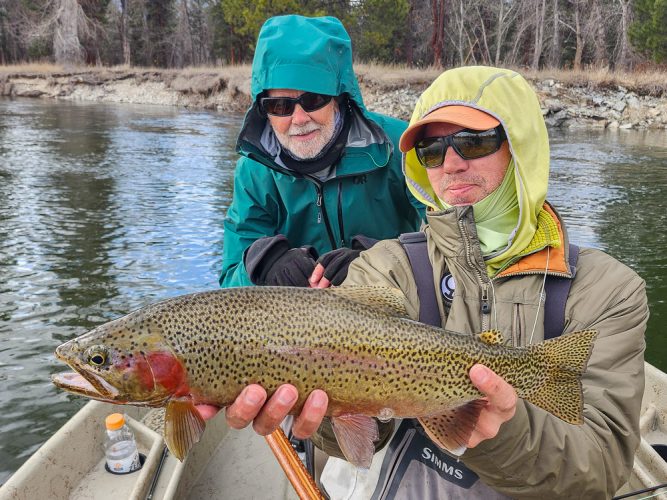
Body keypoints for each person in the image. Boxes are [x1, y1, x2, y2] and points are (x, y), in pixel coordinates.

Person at [216, 66, 648, 499]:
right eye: (431, 149)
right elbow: (359, 441)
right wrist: (322, 411)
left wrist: (499, 429)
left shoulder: (608, 290)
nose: (452, 164)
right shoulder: (389, 265)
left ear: (521, 147)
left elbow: (601, 471)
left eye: (473, 142)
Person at [218, 14, 424, 290]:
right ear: (263, 110)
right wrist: (260, 265)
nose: (299, 118)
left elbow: (454, 249)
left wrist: (380, 262)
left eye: (314, 99)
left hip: (390, 314)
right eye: (280, 106)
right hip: (300, 325)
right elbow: (230, 283)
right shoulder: (254, 172)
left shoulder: (402, 146)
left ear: (340, 98)